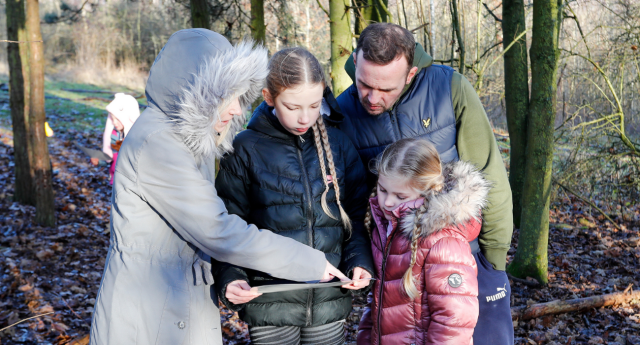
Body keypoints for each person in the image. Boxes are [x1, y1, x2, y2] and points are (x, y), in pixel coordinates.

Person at [89, 29, 347, 345]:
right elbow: (218, 230)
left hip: (176, 303)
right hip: (152, 314)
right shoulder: (159, 145)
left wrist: (229, 278)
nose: (238, 109)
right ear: (196, 92)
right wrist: (312, 262)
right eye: (228, 96)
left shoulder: (186, 139)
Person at [336, 23, 514, 344]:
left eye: (385, 89)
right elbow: (352, 205)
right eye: (364, 84)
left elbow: (489, 174)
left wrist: (493, 261)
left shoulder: (450, 88)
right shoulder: (344, 111)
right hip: (399, 272)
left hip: (467, 256)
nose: (372, 98)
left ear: (411, 72)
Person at [212, 47, 374, 345]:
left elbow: (353, 223)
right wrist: (231, 277)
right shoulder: (244, 149)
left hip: (328, 303)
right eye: (292, 106)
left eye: (314, 105)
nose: (305, 117)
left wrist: (359, 263)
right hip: (269, 306)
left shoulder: (339, 145)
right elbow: (227, 227)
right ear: (268, 97)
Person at [357, 138, 490, 344]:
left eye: (400, 196)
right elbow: (378, 302)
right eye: (382, 190)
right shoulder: (386, 226)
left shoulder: (443, 242)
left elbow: (454, 321)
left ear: (429, 191)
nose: (388, 202)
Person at [97, 93, 140, 184]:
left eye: (118, 119)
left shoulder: (138, 137)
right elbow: (111, 158)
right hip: (115, 181)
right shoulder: (114, 135)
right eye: (112, 119)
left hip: (130, 183)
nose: (115, 123)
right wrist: (99, 161)